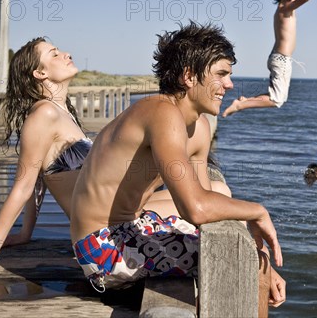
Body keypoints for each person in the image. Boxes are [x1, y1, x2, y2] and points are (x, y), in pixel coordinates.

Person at [69, 22, 285, 307]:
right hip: (102, 247)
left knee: (241, 243)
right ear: (188, 76)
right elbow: (195, 208)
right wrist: (258, 213)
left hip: (132, 224)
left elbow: (206, 203)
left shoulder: (199, 127)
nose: (230, 85)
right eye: (221, 74)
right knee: (241, 260)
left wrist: (264, 259)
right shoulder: (162, 113)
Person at [0, 37, 90, 268]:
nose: (66, 54)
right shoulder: (45, 114)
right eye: (54, 54)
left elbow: (38, 181)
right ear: (40, 73)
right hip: (100, 235)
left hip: (108, 221)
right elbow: (23, 186)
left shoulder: (63, 113)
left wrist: (25, 234)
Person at [222, 0, 317, 117]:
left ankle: (246, 100)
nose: (296, 0)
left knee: (276, 95)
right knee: (277, 100)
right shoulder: (285, 9)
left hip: (279, 59)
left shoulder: (283, 9)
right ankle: (239, 105)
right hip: (281, 60)